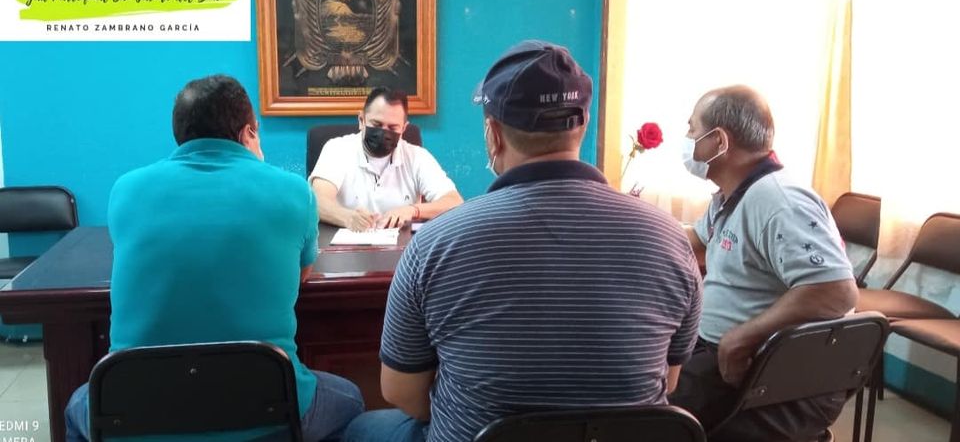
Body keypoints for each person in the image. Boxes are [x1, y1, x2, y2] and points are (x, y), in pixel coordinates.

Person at [341, 40, 704, 442]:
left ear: (493, 134)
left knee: (362, 427)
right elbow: (669, 379)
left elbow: (401, 392)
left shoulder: (435, 246)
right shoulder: (671, 239)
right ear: (582, 125)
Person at [64, 75, 364, 442]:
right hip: (266, 410)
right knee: (349, 399)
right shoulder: (293, 191)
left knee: (78, 403)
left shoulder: (127, 189)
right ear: (248, 133)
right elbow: (302, 274)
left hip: (133, 412)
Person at [669, 85, 859, 442]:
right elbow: (698, 242)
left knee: (644, 416)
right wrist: (638, 232)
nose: (687, 138)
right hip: (718, 353)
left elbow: (835, 290)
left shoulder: (778, 200)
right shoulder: (736, 194)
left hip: (757, 371)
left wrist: (741, 338)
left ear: (719, 141)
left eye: (692, 129)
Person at [309, 87, 463, 231]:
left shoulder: (417, 157)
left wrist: (412, 210)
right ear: (361, 120)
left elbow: (454, 202)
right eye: (377, 124)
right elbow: (317, 201)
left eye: (392, 128)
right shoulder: (337, 149)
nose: (383, 133)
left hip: (403, 247)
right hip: (344, 245)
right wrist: (347, 218)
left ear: (403, 128)